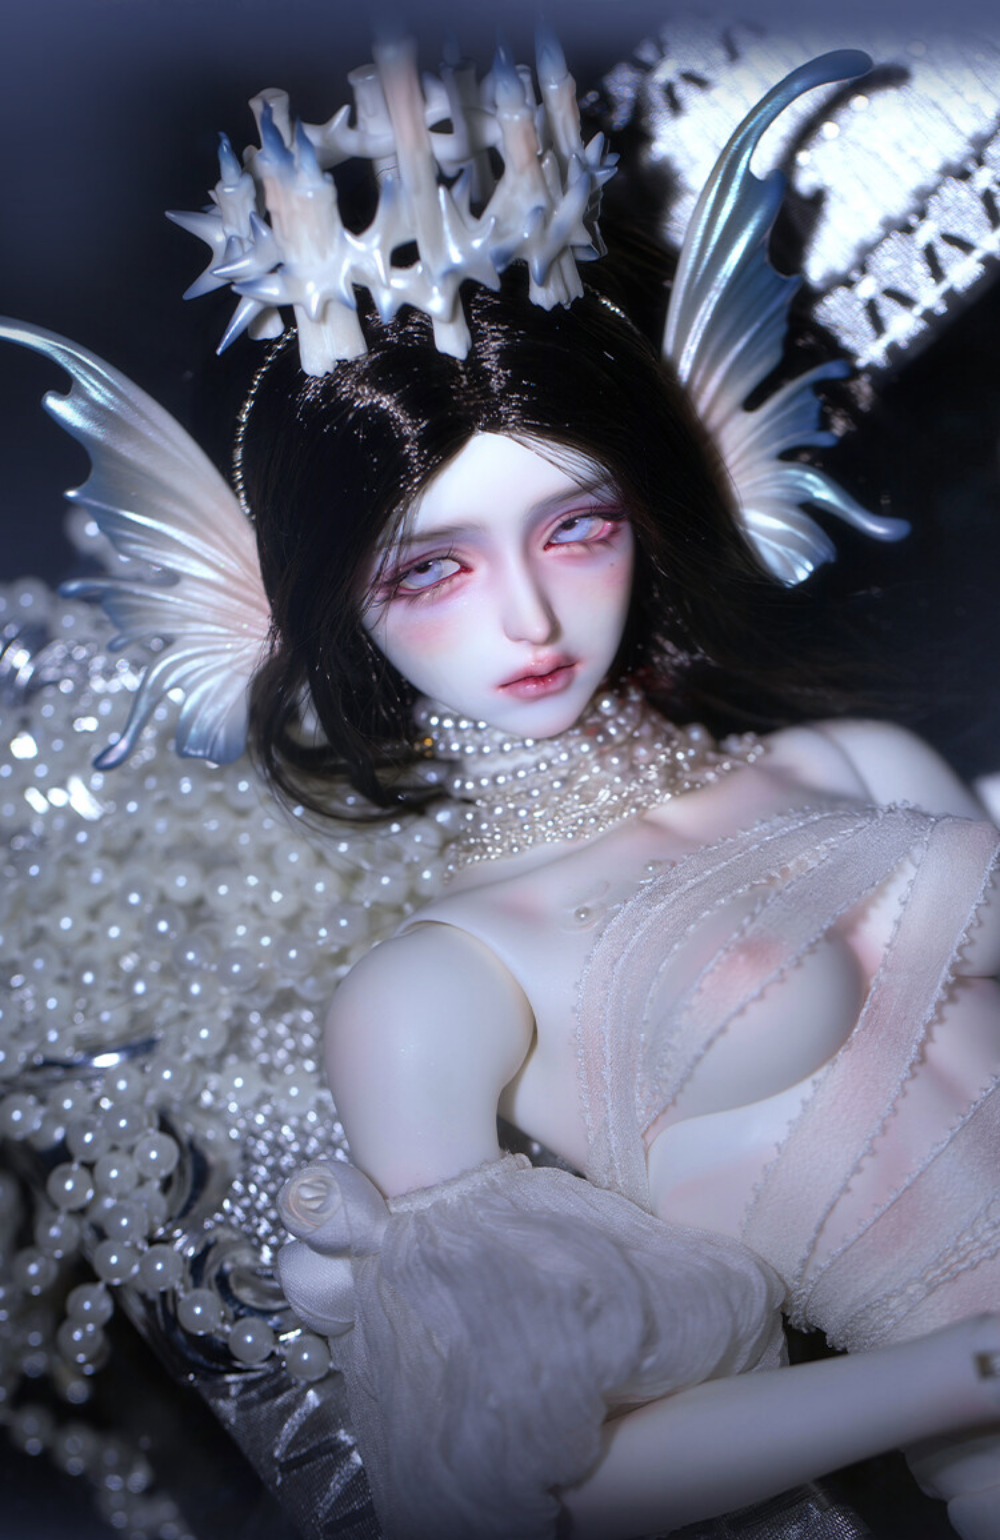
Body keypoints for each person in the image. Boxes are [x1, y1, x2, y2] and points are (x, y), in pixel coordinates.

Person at [3, 35, 999, 1540]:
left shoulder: (854, 763)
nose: (529, 620)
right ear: (311, 603)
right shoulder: (442, 990)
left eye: (577, 529)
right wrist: (954, 1381)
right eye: (432, 569)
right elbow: (538, 1480)